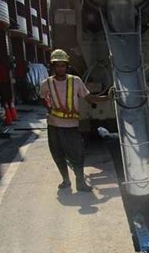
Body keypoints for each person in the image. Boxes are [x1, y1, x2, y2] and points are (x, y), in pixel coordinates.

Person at [40, 49, 109, 192]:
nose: (60, 68)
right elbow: (42, 98)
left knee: (77, 153)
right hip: (54, 125)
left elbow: (89, 98)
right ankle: (65, 180)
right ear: (53, 66)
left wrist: (108, 97)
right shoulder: (46, 83)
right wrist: (50, 109)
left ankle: (80, 182)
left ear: (67, 65)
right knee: (57, 153)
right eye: (57, 65)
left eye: (62, 65)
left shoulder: (75, 81)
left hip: (71, 125)